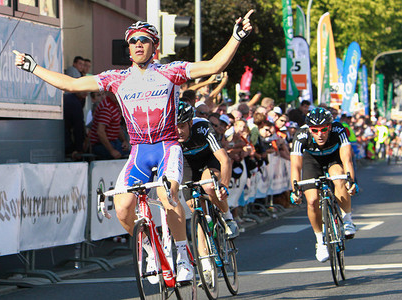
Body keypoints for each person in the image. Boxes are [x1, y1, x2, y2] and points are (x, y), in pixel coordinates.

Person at [13, 9, 254, 282]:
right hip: (140, 151)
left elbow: (213, 66)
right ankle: (151, 250)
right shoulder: (117, 78)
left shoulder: (170, 71)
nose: (138, 44)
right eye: (133, 41)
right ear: (128, 48)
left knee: (168, 194)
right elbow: (71, 84)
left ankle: (183, 255)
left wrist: (236, 37)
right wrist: (33, 67)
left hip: (166, 146)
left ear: (155, 46)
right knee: (123, 208)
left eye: (144, 39)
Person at [290, 107, 358, 263]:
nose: (319, 134)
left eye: (323, 130)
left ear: (330, 127)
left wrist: (351, 181)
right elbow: (295, 166)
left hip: (333, 160)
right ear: (309, 129)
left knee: (339, 178)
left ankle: (347, 219)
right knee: (312, 200)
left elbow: (347, 159)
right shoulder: (301, 135)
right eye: (315, 130)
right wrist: (295, 190)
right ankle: (320, 241)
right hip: (311, 163)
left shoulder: (338, 129)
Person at [176, 101, 238, 239]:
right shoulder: (169, 135)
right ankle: (206, 256)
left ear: (190, 123)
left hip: (208, 159)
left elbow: (225, 160)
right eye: (176, 127)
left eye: (182, 126)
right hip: (188, 165)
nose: (179, 131)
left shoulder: (203, 127)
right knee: (195, 210)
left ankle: (228, 218)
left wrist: (224, 186)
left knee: (209, 186)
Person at [89, 92, 130, 160]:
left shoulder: (114, 105)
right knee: (126, 157)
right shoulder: (106, 107)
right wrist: (112, 151)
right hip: (101, 145)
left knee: (128, 155)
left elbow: (117, 125)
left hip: (113, 141)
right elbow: (100, 132)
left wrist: (124, 141)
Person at [63, 91, 87, 160]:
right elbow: (78, 127)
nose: (85, 92)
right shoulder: (74, 102)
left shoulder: (76, 100)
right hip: (66, 140)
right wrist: (79, 149)